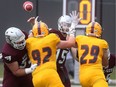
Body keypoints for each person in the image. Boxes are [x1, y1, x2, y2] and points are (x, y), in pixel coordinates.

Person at [27, 11, 80, 87]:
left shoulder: (70, 38)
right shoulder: (53, 34)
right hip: (49, 67)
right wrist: (35, 25)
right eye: (64, 24)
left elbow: (76, 55)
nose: (66, 27)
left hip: (60, 68)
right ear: (59, 24)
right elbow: (39, 33)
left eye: (68, 25)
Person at [72, 21, 110, 87]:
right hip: (96, 75)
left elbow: (71, 44)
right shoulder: (102, 43)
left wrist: (71, 29)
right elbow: (105, 63)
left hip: (83, 77)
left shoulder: (80, 39)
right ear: (99, 32)